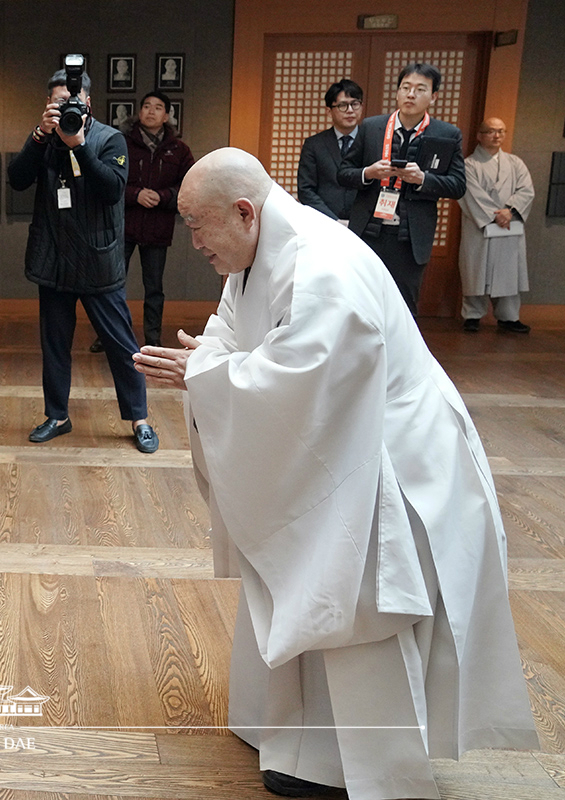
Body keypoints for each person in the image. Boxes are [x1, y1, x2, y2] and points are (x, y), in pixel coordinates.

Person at [134, 148, 538, 800]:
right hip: (340, 442)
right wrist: (209, 359)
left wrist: (205, 374)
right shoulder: (256, 254)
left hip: (387, 456)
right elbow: (234, 336)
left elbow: (306, 379)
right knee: (304, 578)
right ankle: (293, 739)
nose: (194, 242)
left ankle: (364, 770)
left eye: (197, 225)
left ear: (244, 211)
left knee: (357, 604)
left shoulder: (323, 266)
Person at [7, 67, 158, 453]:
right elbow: (17, 178)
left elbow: (110, 190)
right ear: (48, 104)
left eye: (70, 101)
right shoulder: (43, 139)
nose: (64, 107)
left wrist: (78, 145)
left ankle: (140, 418)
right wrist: (41, 136)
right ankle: (57, 415)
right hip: (54, 257)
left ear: (87, 102)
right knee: (54, 343)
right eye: (56, 101)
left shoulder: (111, 139)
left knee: (121, 344)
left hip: (97, 258)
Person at [338, 63, 466, 315]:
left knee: (403, 307)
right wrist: (369, 173)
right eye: (405, 88)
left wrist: (423, 179)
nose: (411, 94)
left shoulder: (447, 134)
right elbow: (343, 173)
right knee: (359, 302)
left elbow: (458, 185)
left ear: (434, 96)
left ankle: (400, 355)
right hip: (368, 231)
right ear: (397, 92)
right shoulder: (372, 127)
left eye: (420, 89)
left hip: (410, 237)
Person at [91, 91, 193, 354]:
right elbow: (104, 179)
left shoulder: (179, 150)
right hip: (123, 224)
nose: (151, 111)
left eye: (158, 107)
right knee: (112, 284)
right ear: (139, 112)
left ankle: (153, 339)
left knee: (154, 288)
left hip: (158, 227)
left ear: (167, 115)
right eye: (146, 106)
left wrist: (163, 196)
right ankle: (108, 335)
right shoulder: (120, 142)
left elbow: (189, 185)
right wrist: (136, 194)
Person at [458, 117, 535, 333]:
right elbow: (470, 193)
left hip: (509, 224)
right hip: (480, 225)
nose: (497, 136)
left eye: (501, 131)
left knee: (509, 270)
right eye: (491, 131)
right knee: (476, 269)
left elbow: (526, 191)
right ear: (480, 136)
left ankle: (509, 317)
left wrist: (509, 211)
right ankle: (473, 315)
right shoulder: (469, 165)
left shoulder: (515, 163)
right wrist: (495, 215)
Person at [297, 79, 362, 223]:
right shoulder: (314, 144)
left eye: (355, 104)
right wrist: (333, 220)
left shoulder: (372, 141)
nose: (350, 110)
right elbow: (306, 190)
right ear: (329, 111)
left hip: (363, 225)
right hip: (323, 222)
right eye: (343, 105)